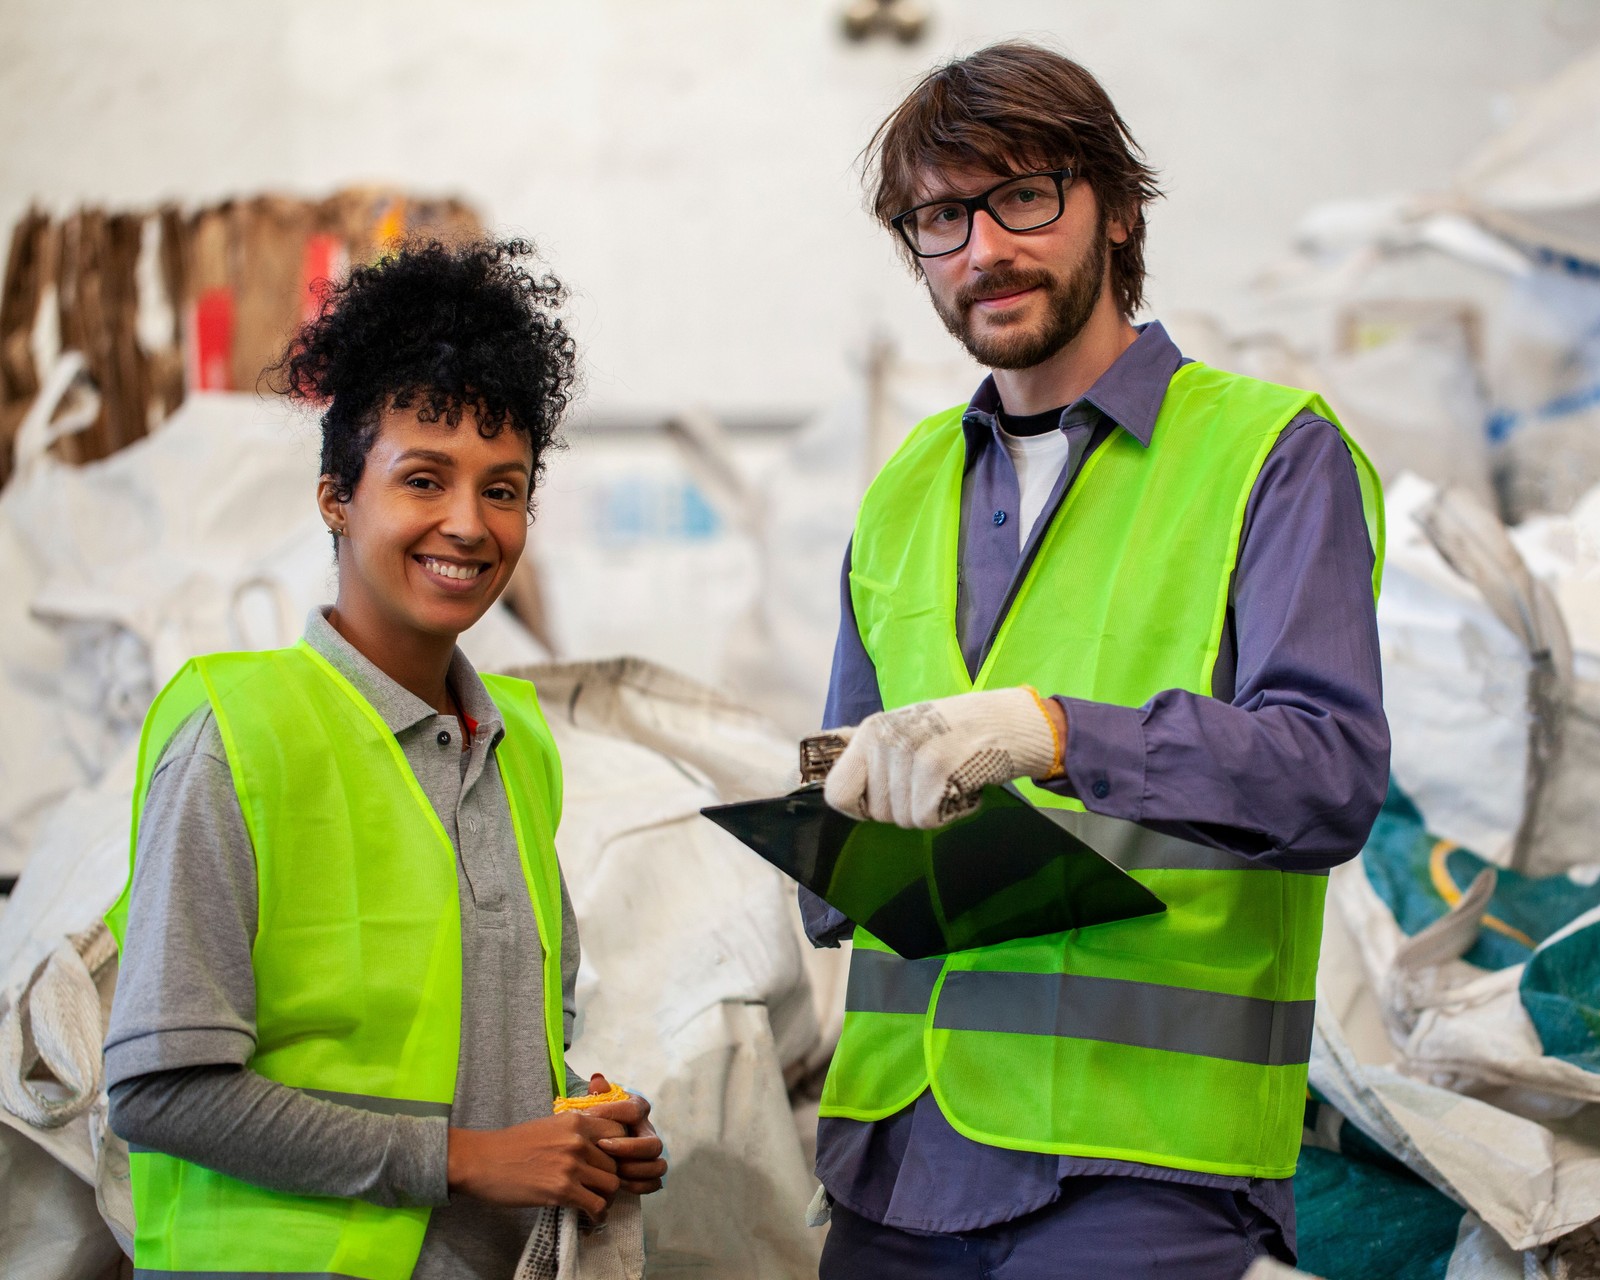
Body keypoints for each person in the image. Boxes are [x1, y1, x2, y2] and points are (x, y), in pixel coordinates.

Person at [804, 43, 1390, 1278]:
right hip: (898, 1154)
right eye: (940, 217)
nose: (982, 249)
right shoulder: (902, 490)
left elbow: (1327, 772)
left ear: (1118, 208)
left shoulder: (1270, 455)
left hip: (1140, 1175)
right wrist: (829, 837)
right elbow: (847, 812)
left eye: (1025, 196)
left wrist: (1056, 733)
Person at [103, 238, 667, 1280]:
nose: (468, 523)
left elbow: (492, 1048)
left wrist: (580, 1127)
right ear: (335, 494)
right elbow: (159, 1086)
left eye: (504, 489)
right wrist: (469, 1159)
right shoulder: (240, 731)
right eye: (423, 477)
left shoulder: (519, 744)